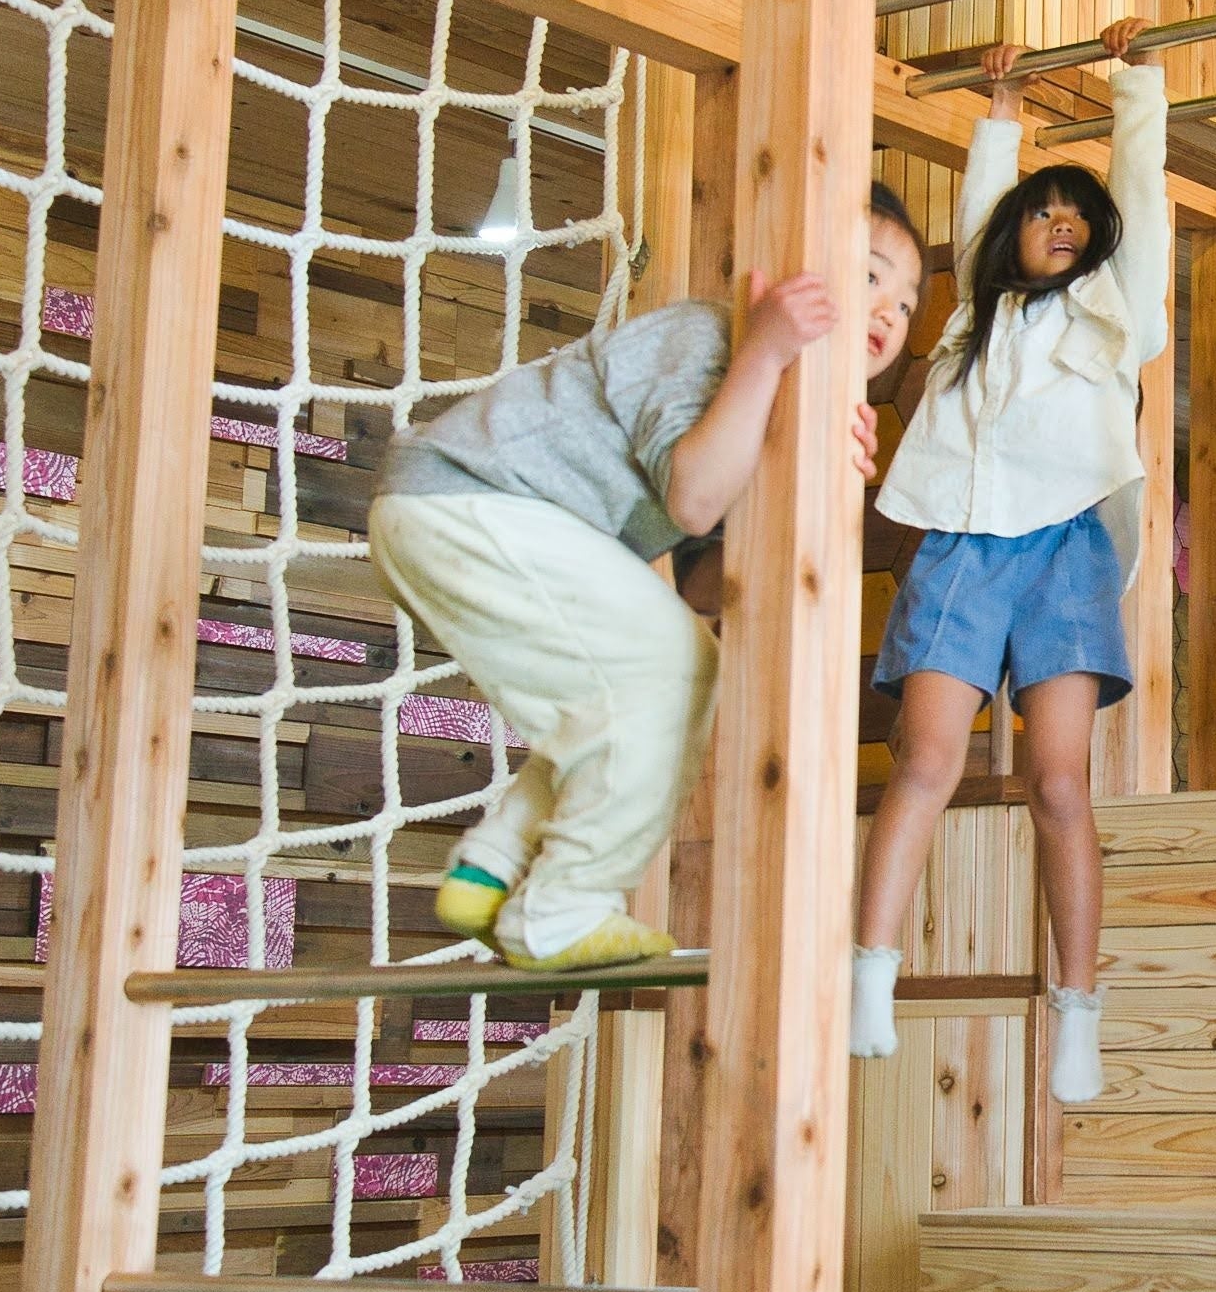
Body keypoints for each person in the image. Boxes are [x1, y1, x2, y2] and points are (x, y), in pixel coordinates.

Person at [371, 186, 924, 973]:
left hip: (472, 517)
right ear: (802, 273)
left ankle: (488, 870)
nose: (889, 315)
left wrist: (818, 480)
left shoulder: (772, 398)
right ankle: (559, 912)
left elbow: (703, 584)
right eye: (871, 277)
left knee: (622, 693)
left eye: (906, 306)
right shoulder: (710, 337)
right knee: (673, 668)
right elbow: (695, 499)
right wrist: (764, 353)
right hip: (470, 499)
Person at [851, 21, 1167, 1102]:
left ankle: (1077, 1007)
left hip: (1066, 544)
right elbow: (984, 210)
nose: (1061, 224)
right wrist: (997, 109)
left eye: (1079, 217)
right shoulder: (968, 323)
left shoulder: (1120, 314)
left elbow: (1143, 194)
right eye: (1043, 214)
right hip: (960, 542)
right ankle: (868, 971)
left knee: (1058, 781)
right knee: (927, 758)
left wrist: (1139, 83)